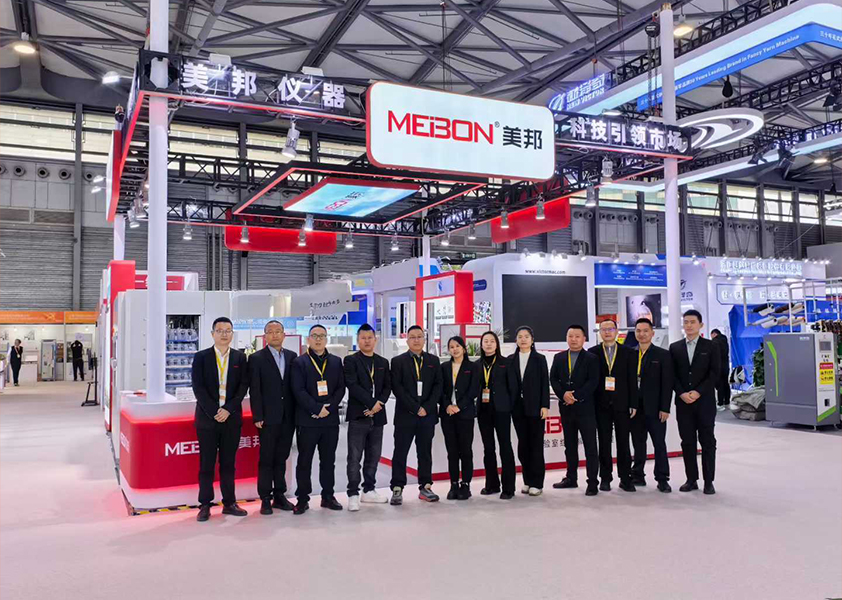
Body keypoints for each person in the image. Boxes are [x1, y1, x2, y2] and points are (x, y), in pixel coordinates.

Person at [191, 317, 250, 522]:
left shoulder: (240, 358)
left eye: (228, 330)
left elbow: (243, 387)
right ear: (212, 334)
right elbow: (198, 388)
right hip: (207, 420)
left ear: (232, 333)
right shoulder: (201, 357)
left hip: (231, 419)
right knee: (206, 463)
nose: (224, 334)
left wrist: (228, 410)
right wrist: (215, 411)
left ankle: (229, 503)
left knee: (228, 464)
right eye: (220, 330)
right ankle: (205, 504)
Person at [290, 324, 346, 514]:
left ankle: (328, 496)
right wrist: (316, 408)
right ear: (308, 339)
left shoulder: (336, 362)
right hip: (307, 420)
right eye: (315, 336)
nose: (319, 339)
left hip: (330, 420)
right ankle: (302, 499)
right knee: (304, 461)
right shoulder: (299, 362)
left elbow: (341, 388)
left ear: (326, 338)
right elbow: (298, 390)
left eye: (322, 335)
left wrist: (328, 408)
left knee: (328, 461)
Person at [390, 325, 443, 505]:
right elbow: (397, 388)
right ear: (407, 340)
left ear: (424, 339)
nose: (416, 340)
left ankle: (426, 486)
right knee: (400, 452)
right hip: (406, 415)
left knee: (425, 452)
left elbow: (438, 386)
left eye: (419, 336)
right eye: (412, 337)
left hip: (427, 415)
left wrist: (426, 407)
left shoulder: (433, 361)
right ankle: (397, 488)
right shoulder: (398, 362)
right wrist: (415, 407)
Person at [249, 320, 298, 515]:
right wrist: (258, 415)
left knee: (282, 457)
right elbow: (255, 389)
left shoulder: (292, 356)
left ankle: (280, 495)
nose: (275, 335)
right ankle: (265, 498)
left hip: (288, 417)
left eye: (278, 331)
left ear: (284, 335)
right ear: (265, 336)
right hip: (267, 418)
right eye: (270, 332)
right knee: (267, 458)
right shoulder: (256, 358)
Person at [670, 310, 721, 495]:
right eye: (686, 322)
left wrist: (698, 392)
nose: (689, 325)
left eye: (692, 322)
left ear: (701, 325)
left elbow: (715, 373)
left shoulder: (711, 346)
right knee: (687, 442)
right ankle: (691, 479)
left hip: (705, 402)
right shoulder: (675, 348)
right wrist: (682, 393)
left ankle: (709, 481)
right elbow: (672, 375)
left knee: (707, 441)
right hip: (683, 403)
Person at [344, 324, 391, 512]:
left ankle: (369, 489)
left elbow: (387, 387)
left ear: (375, 339)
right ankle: (353, 493)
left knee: (374, 455)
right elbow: (352, 385)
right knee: (354, 457)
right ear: (358, 340)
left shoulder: (382, 362)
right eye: (363, 338)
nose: (367, 341)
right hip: (358, 415)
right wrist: (371, 403)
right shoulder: (351, 360)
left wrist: (378, 404)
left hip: (377, 416)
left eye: (370, 338)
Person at [588, 319, 639, 492]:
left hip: (622, 404)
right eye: (603, 329)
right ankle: (605, 478)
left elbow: (632, 380)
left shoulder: (629, 352)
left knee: (623, 442)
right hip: (601, 405)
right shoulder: (592, 353)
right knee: (604, 442)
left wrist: (633, 403)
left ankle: (625, 478)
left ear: (617, 331)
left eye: (610, 329)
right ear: (599, 332)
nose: (607, 332)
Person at [550, 325, 601, 496]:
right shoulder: (559, 357)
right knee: (570, 446)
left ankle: (592, 482)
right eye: (570, 336)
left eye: (577, 336)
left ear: (584, 339)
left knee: (590, 446)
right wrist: (563, 394)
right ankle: (571, 478)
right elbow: (553, 379)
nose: (573, 339)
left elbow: (593, 381)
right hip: (566, 409)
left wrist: (576, 396)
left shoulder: (592, 358)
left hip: (585, 409)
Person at [629, 318, 674, 493]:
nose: (642, 334)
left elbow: (667, 383)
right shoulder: (630, 354)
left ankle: (662, 478)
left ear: (652, 333)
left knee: (659, 444)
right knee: (638, 443)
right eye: (638, 331)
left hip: (656, 409)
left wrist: (665, 408)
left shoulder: (662, 355)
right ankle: (637, 475)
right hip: (635, 409)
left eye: (645, 331)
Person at [509, 326, 550, 497]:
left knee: (536, 445)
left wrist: (545, 406)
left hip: (535, 408)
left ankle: (537, 483)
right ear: (516, 340)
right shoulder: (510, 359)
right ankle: (527, 480)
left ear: (532, 340)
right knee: (523, 445)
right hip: (517, 408)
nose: (523, 339)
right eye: (520, 336)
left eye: (526, 336)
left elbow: (544, 383)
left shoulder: (539, 359)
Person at [476, 331, 517, 500]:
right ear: (481, 344)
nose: (488, 344)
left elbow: (513, 388)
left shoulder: (505, 363)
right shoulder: (476, 365)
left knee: (505, 447)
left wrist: (508, 406)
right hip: (483, 411)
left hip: (502, 411)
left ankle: (508, 487)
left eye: (492, 341)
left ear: (497, 344)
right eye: (485, 341)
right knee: (488, 448)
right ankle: (492, 484)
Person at [439, 336, 478, 501]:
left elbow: (474, 390)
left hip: (465, 414)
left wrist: (459, 406)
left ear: (463, 348)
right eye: (451, 347)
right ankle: (453, 484)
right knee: (452, 451)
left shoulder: (472, 367)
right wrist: (447, 405)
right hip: (448, 414)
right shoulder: (444, 367)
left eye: (457, 346)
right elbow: (439, 389)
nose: (454, 349)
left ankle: (465, 484)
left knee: (466, 450)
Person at [710, 329, 731, 411]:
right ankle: (727, 401)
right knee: (726, 383)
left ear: (714, 334)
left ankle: (720, 402)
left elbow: (714, 356)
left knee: (719, 384)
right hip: (726, 366)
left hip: (718, 366)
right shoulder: (725, 341)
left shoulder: (715, 342)